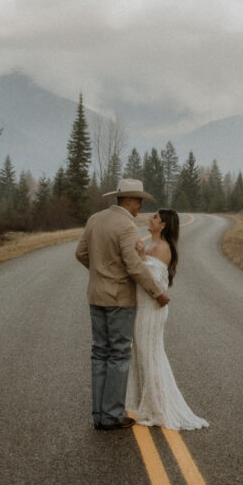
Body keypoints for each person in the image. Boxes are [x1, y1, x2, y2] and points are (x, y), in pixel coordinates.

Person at [75, 178, 170, 431]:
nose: (140, 206)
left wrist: (99, 273)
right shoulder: (127, 227)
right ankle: (113, 415)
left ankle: (99, 414)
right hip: (119, 300)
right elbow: (134, 266)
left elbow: (80, 253)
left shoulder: (95, 219)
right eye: (139, 201)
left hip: (96, 296)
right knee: (118, 354)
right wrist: (157, 292)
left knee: (99, 353)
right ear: (127, 199)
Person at [126, 208, 209, 431]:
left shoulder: (163, 248)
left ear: (162, 225)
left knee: (150, 354)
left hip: (153, 309)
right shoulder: (151, 245)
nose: (150, 219)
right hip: (142, 307)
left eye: (155, 217)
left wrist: (142, 257)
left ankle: (157, 408)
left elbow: (157, 283)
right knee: (143, 355)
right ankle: (149, 401)